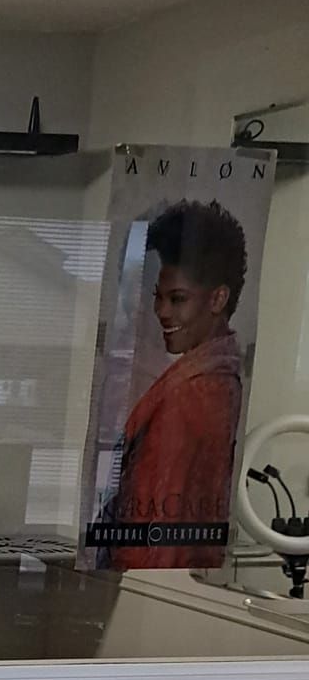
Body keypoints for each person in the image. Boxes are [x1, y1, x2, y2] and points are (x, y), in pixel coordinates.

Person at [108, 199, 247, 570]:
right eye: (158, 296)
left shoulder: (196, 392)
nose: (161, 311)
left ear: (218, 298)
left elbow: (164, 529)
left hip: (147, 584)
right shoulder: (209, 376)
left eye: (178, 299)